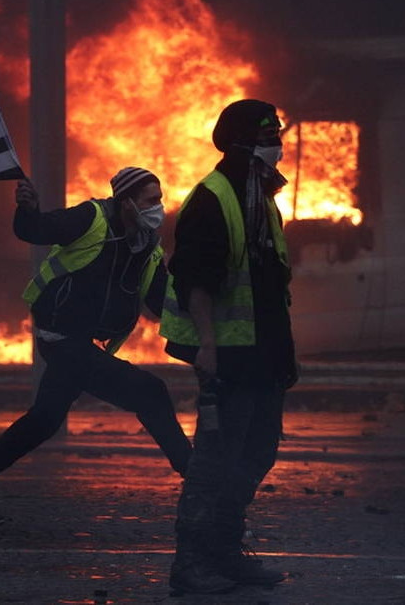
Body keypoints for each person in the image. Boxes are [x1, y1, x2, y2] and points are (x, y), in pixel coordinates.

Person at [0, 167, 192, 524]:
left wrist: (200, 308)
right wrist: (28, 208)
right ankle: (198, 481)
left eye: (160, 199)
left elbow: (159, 301)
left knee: (43, 421)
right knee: (150, 392)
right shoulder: (92, 218)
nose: (159, 207)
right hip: (61, 337)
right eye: (151, 200)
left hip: (83, 344)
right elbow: (34, 230)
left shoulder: (147, 245)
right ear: (127, 202)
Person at [160, 100, 298, 594]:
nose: (277, 143)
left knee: (257, 453)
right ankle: (191, 563)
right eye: (268, 135)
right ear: (241, 143)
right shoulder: (213, 199)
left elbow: (267, 281)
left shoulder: (261, 198)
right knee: (216, 460)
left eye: (277, 133)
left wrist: (283, 356)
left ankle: (223, 550)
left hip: (264, 353)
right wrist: (209, 350)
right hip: (230, 356)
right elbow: (197, 281)